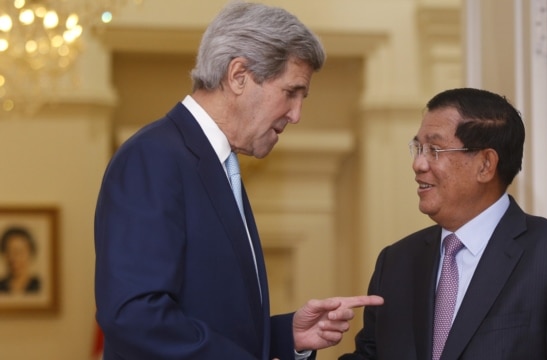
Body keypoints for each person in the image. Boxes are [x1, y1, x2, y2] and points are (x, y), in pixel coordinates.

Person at [93, 2, 383, 360]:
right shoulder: (153, 158)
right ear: (238, 75)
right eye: (291, 92)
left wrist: (285, 335)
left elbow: (209, 317)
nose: (296, 115)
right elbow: (135, 316)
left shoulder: (216, 163)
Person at [339, 88, 547, 360]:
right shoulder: (396, 262)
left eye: (434, 149)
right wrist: (299, 348)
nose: (418, 163)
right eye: (418, 148)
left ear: (485, 164)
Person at [0, 226, 41, 294]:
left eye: (19, 252)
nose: (14, 258)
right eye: (9, 251)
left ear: (31, 254)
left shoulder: (38, 285)